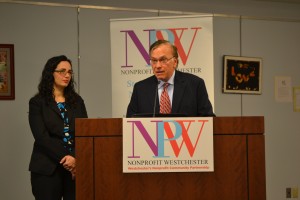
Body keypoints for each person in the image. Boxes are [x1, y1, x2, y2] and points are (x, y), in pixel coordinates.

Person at [28, 55, 88, 200]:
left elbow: (84, 131)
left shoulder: (77, 101)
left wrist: (74, 158)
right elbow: (41, 137)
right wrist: (65, 158)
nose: (67, 75)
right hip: (47, 168)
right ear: (51, 73)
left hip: (74, 168)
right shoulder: (37, 102)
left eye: (69, 72)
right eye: (62, 71)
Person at [126, 39, 215, 117]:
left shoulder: (195, 84)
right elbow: (130, 123)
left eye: (163, 60)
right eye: (154, 60)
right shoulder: (140, 88)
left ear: (175, 62)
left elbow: (208, 119)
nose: (158, 66)